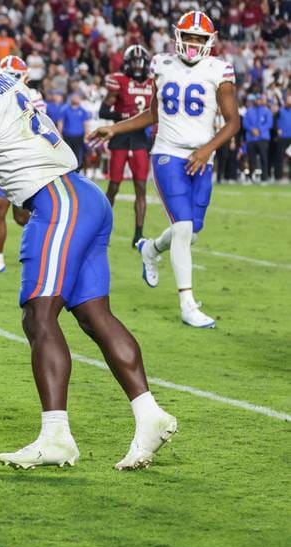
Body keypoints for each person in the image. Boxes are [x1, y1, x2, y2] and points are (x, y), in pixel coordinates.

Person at [0, 16, 178, 471]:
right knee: (95, 315)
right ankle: (149, 414)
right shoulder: (0, 77)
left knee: (40, 315)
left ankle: (56, 435)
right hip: (82, 195)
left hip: (57, 200)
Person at [90, 10, 240, 329]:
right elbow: (153, 115)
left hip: (202, 157)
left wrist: (206, 149)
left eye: (199, 38)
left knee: (192, 232)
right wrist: (114, 129)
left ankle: (151, 248)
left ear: (210, 41)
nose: (193, 43)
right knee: (184, 228)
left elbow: (233, 121)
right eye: (189, 37)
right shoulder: (163, 64)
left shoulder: (219, 70)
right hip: (168, 154)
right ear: (177, 37)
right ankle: (187, 303)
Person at [0, 55, 35, 274]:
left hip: (24, 162)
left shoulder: (33, 97)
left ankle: (42, 246)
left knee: (22, 216)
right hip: (0, 158)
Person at [101, 44, 155, 247]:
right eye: (135, 62)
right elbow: (103, 111)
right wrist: (122, 115)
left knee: (140, 186)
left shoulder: (153, 83)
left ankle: (138, 234)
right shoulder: (119, 81)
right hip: (121, 137)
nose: (139, 66)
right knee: (114, 186)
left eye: (141, 63)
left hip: (140, 138)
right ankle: (102, 229)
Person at [243, 93, 272, 182]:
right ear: (254, 101)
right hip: (251, 138)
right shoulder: (249, 111)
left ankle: (264, 177)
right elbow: (245, 123)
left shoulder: (266, 111)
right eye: (257, 99)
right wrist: (252, 130)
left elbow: (269, 123)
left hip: (263, 137)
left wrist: (259, 130)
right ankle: (251, 177)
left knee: (264, 158)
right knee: (252, 159)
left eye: (260, 99)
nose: (258, 101)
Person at [60, 92, 90, 170]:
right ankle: (67, 169)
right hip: (67, 136)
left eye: (78, 98)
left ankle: (77, 170)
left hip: (79, 136)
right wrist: (60, 134)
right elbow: (61, 122)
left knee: (78, 154)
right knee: (67, 153)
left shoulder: (83, 111)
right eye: (75, 97)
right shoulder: (65, 109)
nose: (77, 99)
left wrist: (87, 134)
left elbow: (86, 124)